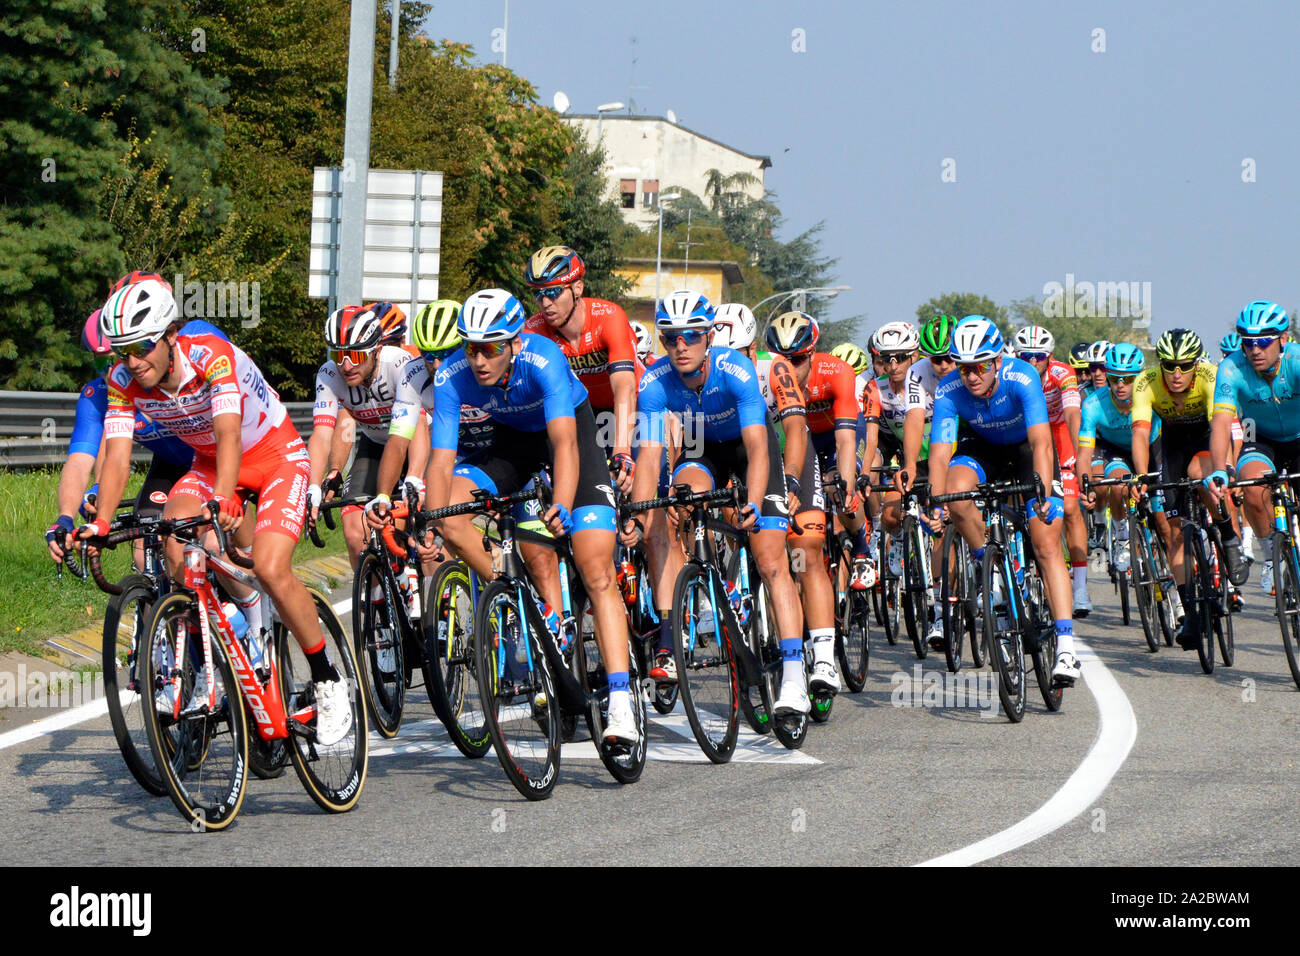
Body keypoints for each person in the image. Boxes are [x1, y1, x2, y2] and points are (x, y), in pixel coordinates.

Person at [79, 277, 352, 744]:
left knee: (268, 566)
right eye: (122, 351)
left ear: (169, 335)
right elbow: (118, 457)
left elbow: (229, 432)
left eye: (142, 347)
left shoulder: (209, 354)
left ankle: (329, 679)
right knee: (172, 535)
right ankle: (213, 659)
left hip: (274, 457)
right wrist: (101, 521)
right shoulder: (122, 382)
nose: (132, 362)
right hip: (209, 463)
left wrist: (225, 497)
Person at [419, 289, 639, 744]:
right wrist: (433, 521)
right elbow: (440, 461)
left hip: (568, 433)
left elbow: (564, 446)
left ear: (516, 343)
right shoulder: (454, 374)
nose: (479, 360)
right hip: (512, 443)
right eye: (471, 347)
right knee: (451, 516)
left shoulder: (545, 359)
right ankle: (519, 595)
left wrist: (560, 503)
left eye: (491, 347)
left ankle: (620, 705)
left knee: (596, 566)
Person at [623, 290, 810, 715]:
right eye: (670, 338)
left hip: (749, 451)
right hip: (703, 449)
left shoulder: (736, 370)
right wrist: (638, 512)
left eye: (690, 336)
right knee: (665, 516)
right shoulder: (654, 381)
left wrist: (754, 504)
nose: (680, 346)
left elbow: (759, 450)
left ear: (709, 338)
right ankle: (669, 646)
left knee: (770, 558)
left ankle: (795, 676)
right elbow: (650, 456)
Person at [924, 319, 1080, 684]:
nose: (971, 376)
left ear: (997, 361)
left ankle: (1067, 648)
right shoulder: (950, 389)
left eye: (980, 366)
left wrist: (1042, 493)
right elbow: (940, 452)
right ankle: (989, 566)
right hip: (982, 450)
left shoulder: (1022, 376)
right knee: (955, 492)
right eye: (964, 367)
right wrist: (936, 502)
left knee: (1045, 543)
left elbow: (1042, 442)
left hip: (1027, 450)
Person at [1131, 328, 1248, 649]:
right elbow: (1141, 434)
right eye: (1169, 365)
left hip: (1207, 437)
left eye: (1185, 365)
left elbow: (1224, 427)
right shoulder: (1147, 382)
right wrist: (1142, 478)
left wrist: (1228, 471)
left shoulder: (1212, 376)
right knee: (1173, 531)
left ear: (1197, 363)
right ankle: (1192, 611)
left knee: (1203, 474)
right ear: (1161, 364)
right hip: (1170, 445)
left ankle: (1226, 533)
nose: (1177, 373)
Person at [305, 305, 429, 569]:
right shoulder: (329, 375)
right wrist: (322, 479)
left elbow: (416, 424)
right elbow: (327, 432)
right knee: (353, 528)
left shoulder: (400, 365)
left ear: (376, 350)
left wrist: (414, 477)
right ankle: (373, 598)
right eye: (339, 355)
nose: (346, 365)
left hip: (413, 444)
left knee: (403, 525)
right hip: (374, 446)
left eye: (355, 356)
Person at [1209, 301, 1300, 596]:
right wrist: (1220, 470)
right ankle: (1270, 553)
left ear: (1283, 339)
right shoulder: (1231, 367)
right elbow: (1221, 422)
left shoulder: (1296, 360)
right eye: (1248, 343)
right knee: (1253, 490)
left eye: (1262, 341)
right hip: (1259, 438)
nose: (1255, 350)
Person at [1013, 325, 1091, 615]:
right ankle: (1020, 568)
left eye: (1038, 356)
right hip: (1025, 435)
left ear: (1050, 356)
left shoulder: (1063, 373)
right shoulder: (1011, 373)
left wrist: (1080, 453)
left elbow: (1072, 413)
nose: (1032, 362)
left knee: (1070, 507)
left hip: (1058, 434)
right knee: (1015, 503)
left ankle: (1080, 587)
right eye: (1026, 356)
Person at [901, 313, 959, 646]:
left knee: (964, 505)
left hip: (964, 441)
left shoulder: (966, 371)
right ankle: (941, 613)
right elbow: (914, 419)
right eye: (936, 359)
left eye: (949, 357)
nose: (943, 365)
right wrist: (908, 463)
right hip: (933, 448)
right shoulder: (917, 373)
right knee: (938, 524)